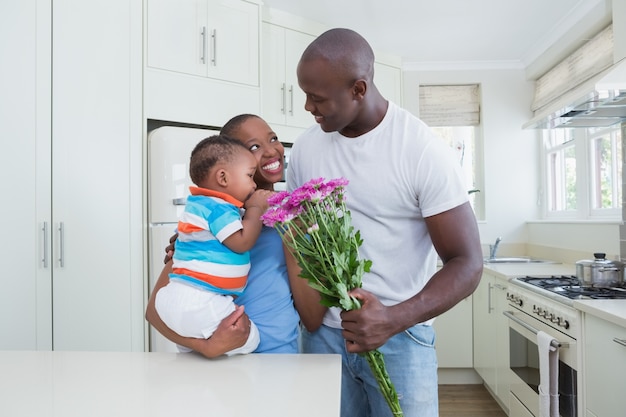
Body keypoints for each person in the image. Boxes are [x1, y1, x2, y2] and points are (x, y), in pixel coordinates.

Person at [285, 28, 484, 417]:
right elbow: (294, 236)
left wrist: (393, 318)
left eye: (318, 97)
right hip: (322, 337)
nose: (308, 107)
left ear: (358, 88)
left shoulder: (422, 150)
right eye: (305, 94)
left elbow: (468, 262)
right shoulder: (308, 147)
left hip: (401, 338)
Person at [146, 115, 300, 356]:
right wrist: (207, 346)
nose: (271, 151)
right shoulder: (207, 226)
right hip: (220, 361)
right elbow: (154, 312)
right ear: (225, 171)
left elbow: (310, 312)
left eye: (273, 139)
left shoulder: (293, 217)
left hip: (278, 353)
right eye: (254, 147)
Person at [155, 134, 270, 355]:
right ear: (223, 178)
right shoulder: (218, 208)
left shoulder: (200, 206)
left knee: (195, 360)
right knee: (251, 338)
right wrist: (256, 209)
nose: (254, 184)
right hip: (202, 300)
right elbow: (241, 242)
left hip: (176, 300)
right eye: (249, 175)